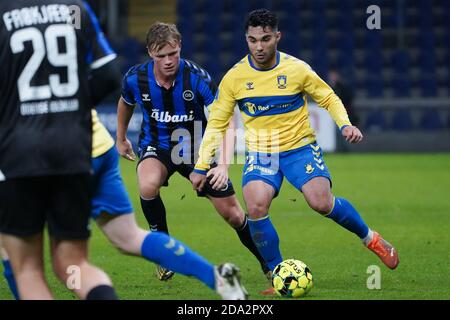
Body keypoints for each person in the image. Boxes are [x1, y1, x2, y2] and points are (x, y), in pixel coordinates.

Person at [191, 9, 399, 294]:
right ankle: (278, 276)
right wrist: (202, 166)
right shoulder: (234, 78)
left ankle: (371, 238)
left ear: (278, 37)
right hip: (262, 152)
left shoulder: (297, 69)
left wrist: (345, 124)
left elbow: (328, 97)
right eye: (252, 40)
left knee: (321, 202)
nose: (259, 47)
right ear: (246, 39)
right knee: (255, 205)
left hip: (299, 148)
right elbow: (216, 123)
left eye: (265, 39)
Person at [0, 109, 248, 300]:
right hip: (95, 144)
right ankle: (216, 277)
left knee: (34, 264)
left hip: (38, 156)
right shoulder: (79, 40)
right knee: (127, 237)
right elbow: (105, 79)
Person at [116, 22, 269, 281]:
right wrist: (121, 139)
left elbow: (226, 121)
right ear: (150, 53)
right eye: (161, 55)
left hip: (198, 149)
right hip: (158, 145)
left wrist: (222, 165)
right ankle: (163, 254)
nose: (168, 61)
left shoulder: (197, 78)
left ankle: (268, 263)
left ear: (180, 48)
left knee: (233, 214)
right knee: (147, 185)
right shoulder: (135, 78)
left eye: (173, 53)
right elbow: (125, 102)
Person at [0, 0, 120, 300]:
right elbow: (108, 77)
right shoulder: (75, 9)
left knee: (27, 269)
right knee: (73, 265)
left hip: (20, 153)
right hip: (73, 150)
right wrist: (70, 112)